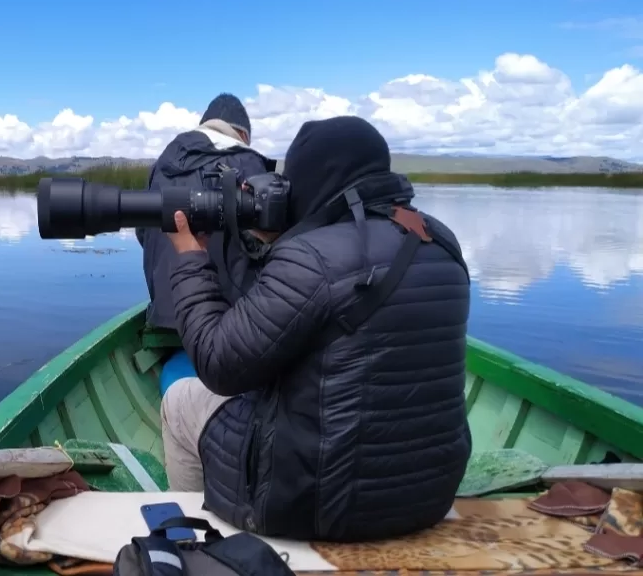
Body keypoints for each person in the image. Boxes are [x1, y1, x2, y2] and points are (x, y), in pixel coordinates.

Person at [160, 115, 473, 543]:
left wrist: (190, 261)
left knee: (180, 401)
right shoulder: (440, 240)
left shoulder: (312, 259)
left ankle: (206, 547)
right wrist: (281, 241)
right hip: (427, 498)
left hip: (315, 507)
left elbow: (219, 363)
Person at [134, 93, 276, 396]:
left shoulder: (164, 162)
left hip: (165, 313)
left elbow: (143, 235)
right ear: (243, 134)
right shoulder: (250, 162)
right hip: (231, 325)